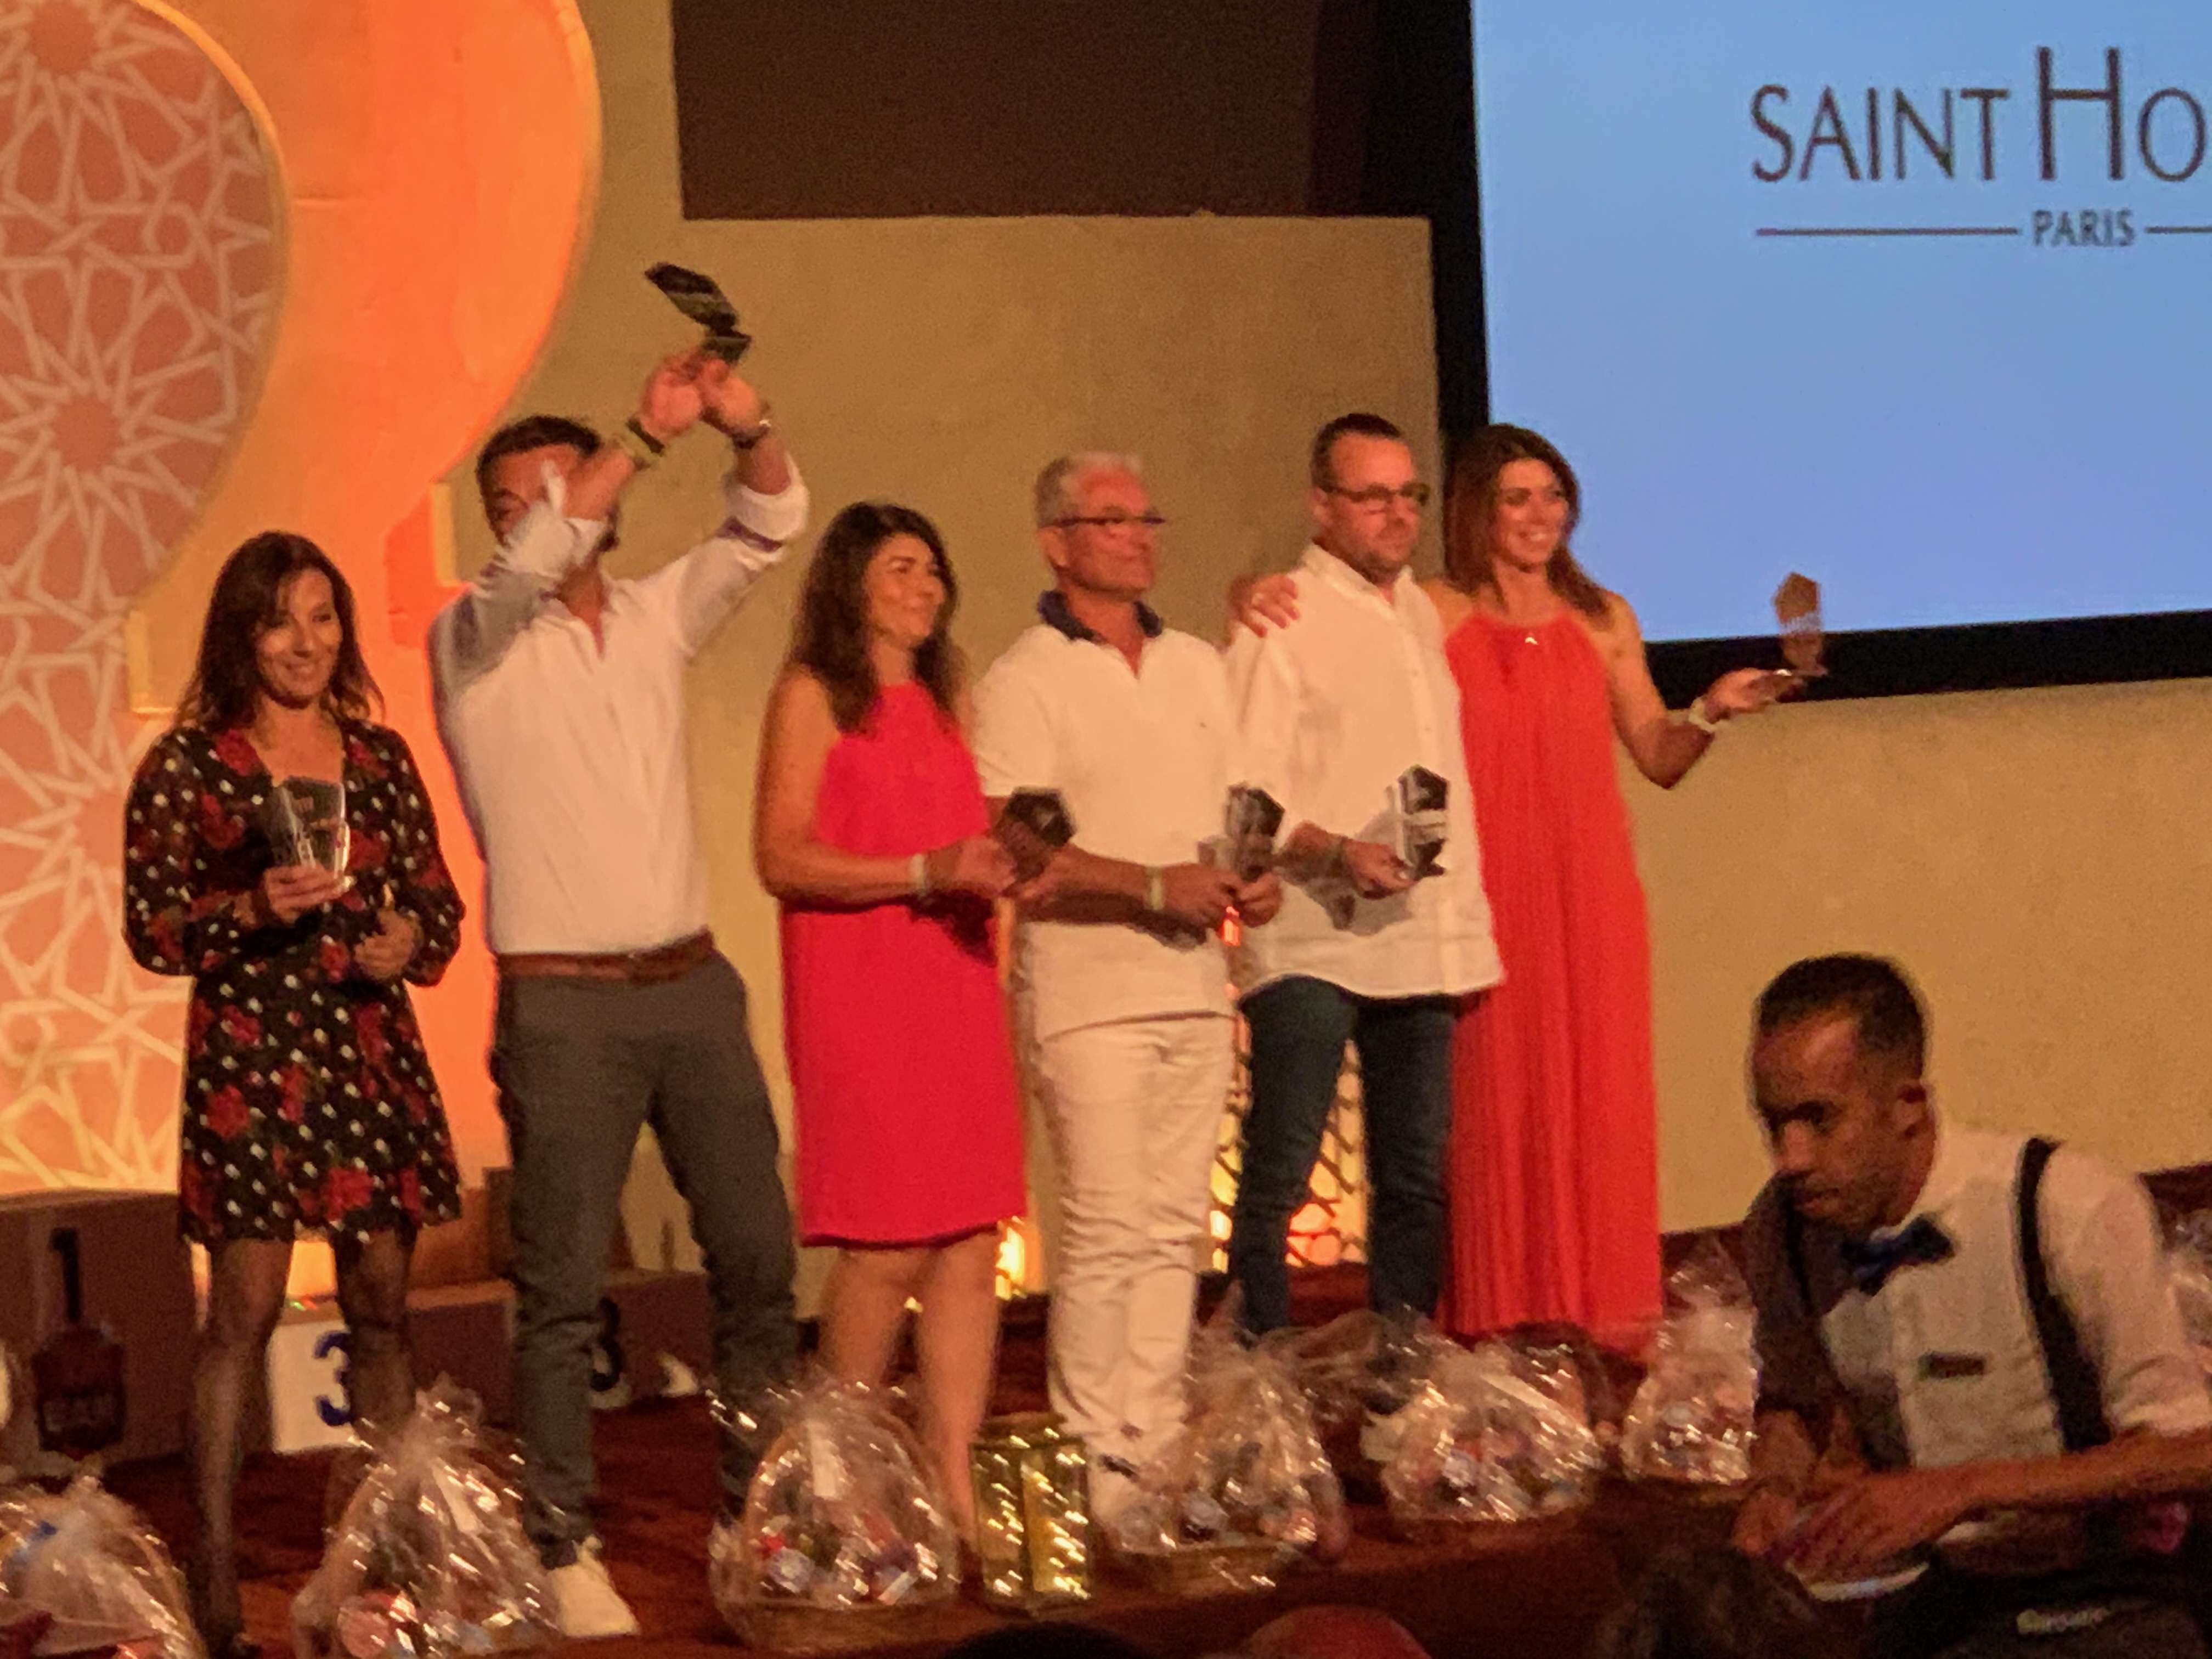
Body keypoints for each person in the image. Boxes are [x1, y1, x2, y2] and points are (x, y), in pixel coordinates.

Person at [1237, 423, 1787, 1344]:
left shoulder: (1604, 616)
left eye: (1554, 494)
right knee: (1486, 1122)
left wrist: (1711, 712)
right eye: (1517, 498)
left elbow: (1656, 754)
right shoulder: (1433, 608)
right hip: (1484, 895)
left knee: (1595, 1108)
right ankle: (1496, 1324)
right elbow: (1326, 608)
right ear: (1476, 511)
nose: (1541, 515)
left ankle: (1603, 1321)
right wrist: (1247, 591)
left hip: (1589, 893)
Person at [428, 352, 806, 1637]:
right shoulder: (474, 641)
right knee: (560, 1291)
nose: (546, 516)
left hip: (691, 985)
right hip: (566, 1009)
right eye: (517, 504)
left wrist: (745, 422)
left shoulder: (654, 613)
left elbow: (770, 521)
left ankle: (757, 1515)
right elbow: (539, 557)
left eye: (562, 488)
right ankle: (562, 1539)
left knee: (757, 1256)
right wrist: (642, 433)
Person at [124, 532, 463, 1658]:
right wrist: (251, 910)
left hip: (367, 1046)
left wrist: (406, 939)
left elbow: (438, 907)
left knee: (382, 1308)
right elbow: (152, 926)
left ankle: (382, 1562)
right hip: (254, 1055)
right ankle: (214, 1564)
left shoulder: (379, 757)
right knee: (244, 1311)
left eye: (322, 616)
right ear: (242, 634)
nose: (304, 642)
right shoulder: (190, 764)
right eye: (280, 620)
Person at [1731, 954, 2212, 1659]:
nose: (1790, 1158)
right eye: (1774, 1124)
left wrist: (1962, 1490)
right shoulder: (1783, 1230)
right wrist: (1774, 1489)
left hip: (2110, 1600)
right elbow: (1795, 1399)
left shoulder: (2064, 1204)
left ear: (1908, 1106)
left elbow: (2191, 1453)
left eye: (1818, 1119)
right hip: (1942, 1601)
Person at [970, 454, 1282, 1520]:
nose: (1139, 535)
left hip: (1194, 984)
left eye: (1147, 516)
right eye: (1111, 519)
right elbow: (1021, 844)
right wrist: (1154, 885)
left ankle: (1154, 1435)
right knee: (1105, 1223)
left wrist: (1253, 874)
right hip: (1086, 991)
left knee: (1173, 1225)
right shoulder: (1026, 677)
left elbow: (1237, 806)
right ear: (1055, 541)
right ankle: (1096, 1450)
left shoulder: (1194, 662)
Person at [753, 500, 1026, 1537]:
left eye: (932, 569)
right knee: (883, 1247)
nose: (924, 588)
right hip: (860, 988)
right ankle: (837, 1474)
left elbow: (963, 835)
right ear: (851, 584)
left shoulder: (950, 693)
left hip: (954, 979)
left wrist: (1003, 870)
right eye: (900, 568)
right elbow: (781, 854)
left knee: (968, 1242)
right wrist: (920, 871)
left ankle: (951, 1480)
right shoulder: (813, 693)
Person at [1220, 414, 1502, 1336]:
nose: (1396, 514)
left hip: (1417, 932)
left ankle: (1402, 1372)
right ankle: (1259, 1366)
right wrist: (1337, 851)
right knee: (1281, 1170)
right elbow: (1240, 790)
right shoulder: (1282, 617)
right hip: (1312, 934)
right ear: (1322, 505)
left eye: (1407, 494)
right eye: (1371, 496)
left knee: (1414, 1175)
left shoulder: (1418, 611)